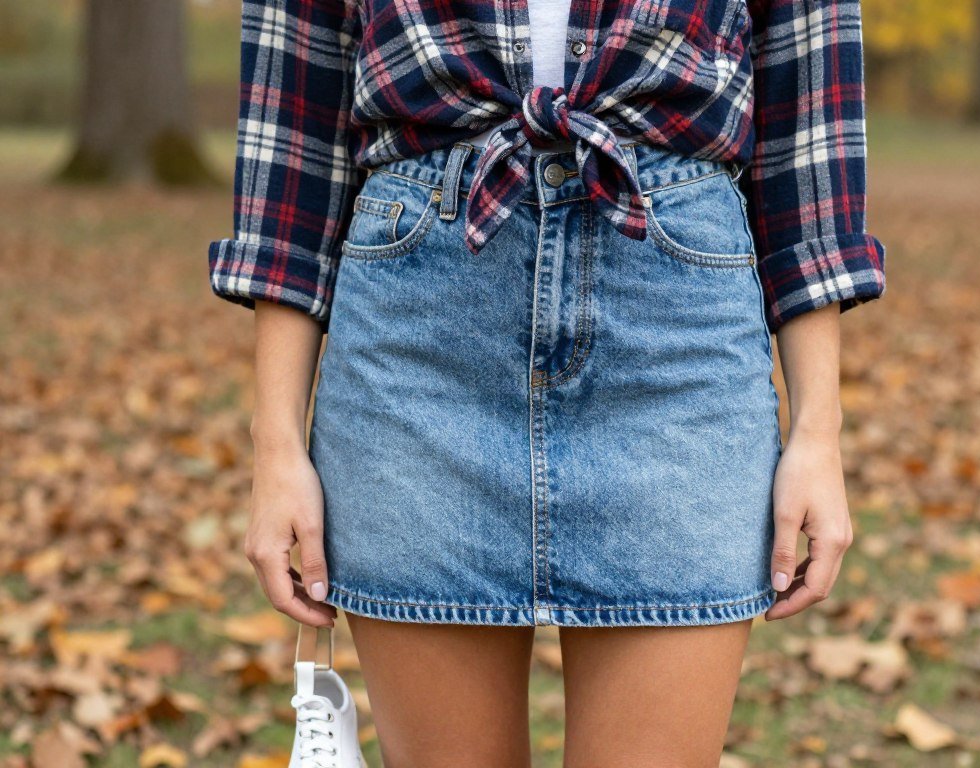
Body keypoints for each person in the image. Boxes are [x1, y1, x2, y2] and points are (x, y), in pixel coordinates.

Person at [208, 0, 886, 764]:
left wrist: (818, 434)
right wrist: (275, 448)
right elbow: (291, 160)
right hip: (418, 344)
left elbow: (809, 152)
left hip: (675, 344)